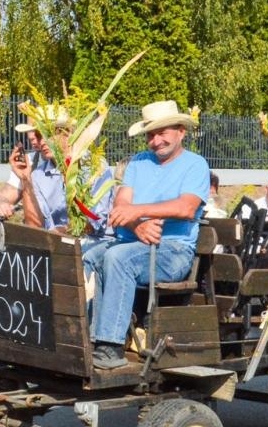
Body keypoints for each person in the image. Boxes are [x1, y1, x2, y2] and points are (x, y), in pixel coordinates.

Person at [82, 100, 209, 369]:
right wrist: (138, 226)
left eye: (162, 133)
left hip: (173, 251)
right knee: (85, 255)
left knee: (118, 258)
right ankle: (85, 335)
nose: (156, 141)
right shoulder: (138, 162)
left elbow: (186, 208)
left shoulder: (195, 164)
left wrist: (137, 212)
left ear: (181, 132)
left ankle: (110, 346)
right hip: (133, 241)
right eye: (151, 135)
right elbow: (120, 208)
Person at [0, 113, 114, 236]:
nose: (42, 142)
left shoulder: (95, 166)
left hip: (95, 241)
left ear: (68, 134)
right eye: (39, 136)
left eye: (49, 134)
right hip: (53, 241)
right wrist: (25, 180)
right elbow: (34, 228)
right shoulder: (36, 174)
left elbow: (96, 222)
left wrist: (61, 231)